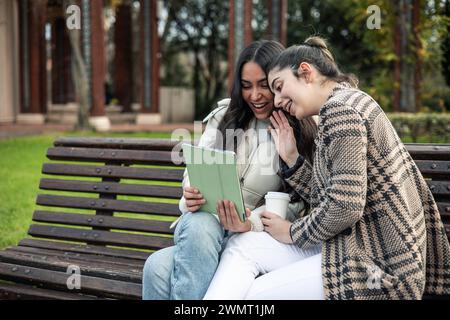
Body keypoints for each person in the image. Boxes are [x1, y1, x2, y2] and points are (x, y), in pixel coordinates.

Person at [204, 36, 450, 300]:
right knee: (243, 245)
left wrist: (290, 231)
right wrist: (292, 159)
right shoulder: (351, 101)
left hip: (377, 266)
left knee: (254, 295)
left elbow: (345, 208)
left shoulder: (340, 111)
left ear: (306, 72)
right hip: (356, 247)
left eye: (278, 86)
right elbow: (332, 196)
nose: (275, 101)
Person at [142, 40, 318, 300]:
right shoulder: (224, 117)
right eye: (247, 86)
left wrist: (249, 223)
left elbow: (297, 203)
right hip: (204, 231)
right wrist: (190, 195)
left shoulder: (299, 128)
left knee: (156, 269)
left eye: (263, 85)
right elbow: (196, 168)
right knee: (201, 223)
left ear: (279, 82)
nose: (255, 95)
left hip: (254, 238)